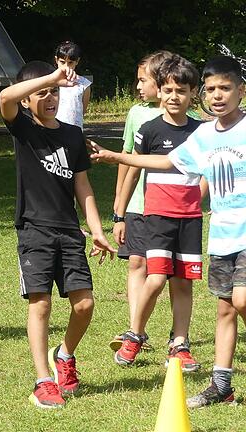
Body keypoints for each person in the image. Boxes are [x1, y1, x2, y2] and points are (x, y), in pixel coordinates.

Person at [92, 55, 246, 409]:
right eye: (211, 90)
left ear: (241, 91)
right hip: (222, 235)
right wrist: (120, 157)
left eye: (225, 88)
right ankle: (221, 384)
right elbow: (168, 162)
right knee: (225, 310)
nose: (217, 96)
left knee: (240, 301)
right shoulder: (206, 133)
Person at [0, 60, 114, 408]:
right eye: (41, 94)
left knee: (85, 304)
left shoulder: (72, 134)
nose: (50, 98)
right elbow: (5, 96)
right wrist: (51, 76)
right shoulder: (24, 129)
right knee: (42, 304)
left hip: (68, 231)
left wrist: (97, 229)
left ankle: (64, 355)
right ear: (27, 100)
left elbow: (83, 186)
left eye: (54, 92)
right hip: (34, 229)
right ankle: (42, 381)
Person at [111, 55, 203, 371]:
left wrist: (197, 202)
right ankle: (134, 334)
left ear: (193, 94)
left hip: (189, 219)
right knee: (156, 277)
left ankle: (180, 344)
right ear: (159, 92)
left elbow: (205, 174)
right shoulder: (149, 129)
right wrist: (119, 213)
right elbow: (133, 168)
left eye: (181, 90)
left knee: (183, 282)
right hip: (158, 216)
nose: (174, 96)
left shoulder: (202, 132)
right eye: (168, 90)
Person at [109, 51, 171, 351]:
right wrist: (118, 208)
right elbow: (127, 161)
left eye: (142, 80)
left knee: (166, 273)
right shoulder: (136, 114)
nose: (137, 87)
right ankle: (135, 330)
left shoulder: (186, 118)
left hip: (168, 207)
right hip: (136, 205)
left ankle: (173, 335)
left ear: (160, 83)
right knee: (136, 262)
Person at [53, 41, 91, 129]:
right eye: (62, 62)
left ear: (77, 61)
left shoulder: (84, 84)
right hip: (54, 129)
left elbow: (82, 111)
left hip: (75, 130)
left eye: (70, 63)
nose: (66, 66)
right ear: (56, 60)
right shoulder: (50, 82)